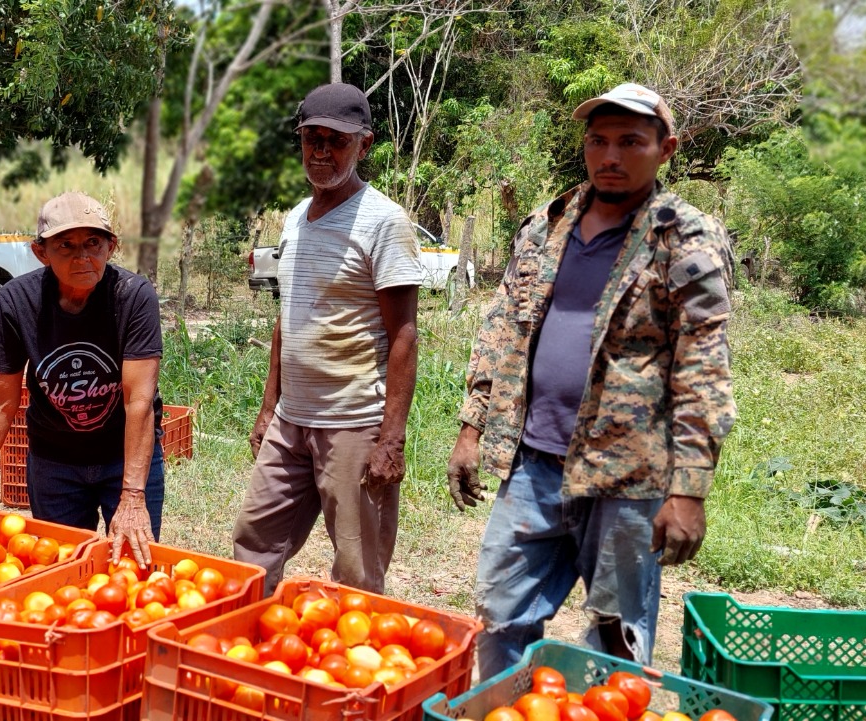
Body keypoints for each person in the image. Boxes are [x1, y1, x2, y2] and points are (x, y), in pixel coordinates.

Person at [447, 83, 736, 677]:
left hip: (626, 479)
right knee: (499, 615)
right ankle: (506, 712)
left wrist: (689, 489)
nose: (610, 156)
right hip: (532, 463)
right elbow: (503, 326)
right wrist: (472, 426)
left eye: (630, 142)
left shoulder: (684, 238)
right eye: (598, 141)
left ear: (666, 149)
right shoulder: (546, 224)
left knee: (615, 638)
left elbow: (703, 366)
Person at [232, 82, 423, 595]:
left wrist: (391, 439)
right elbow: (287, 315)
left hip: (353, 423)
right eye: (310, 138)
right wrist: (269, 405)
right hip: (292, 421)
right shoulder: (296, 217)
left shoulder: (384, 222)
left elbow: (403, 334)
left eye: (335, 141)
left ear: (365, 143)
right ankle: (253, 647)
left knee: (357, 570)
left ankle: (351, 672)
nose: (320, 151)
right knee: (253, 542)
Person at [0, 192, 164, 566]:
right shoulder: (18, 301)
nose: (83, 256)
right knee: (58, 569)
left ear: (112, 247)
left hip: (122, 460)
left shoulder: (132, 296)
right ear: (40, 252)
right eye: (66, 245)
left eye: (93, 243)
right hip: (54, 463)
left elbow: (138, 400)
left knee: (129, 570)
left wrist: (132, 496)